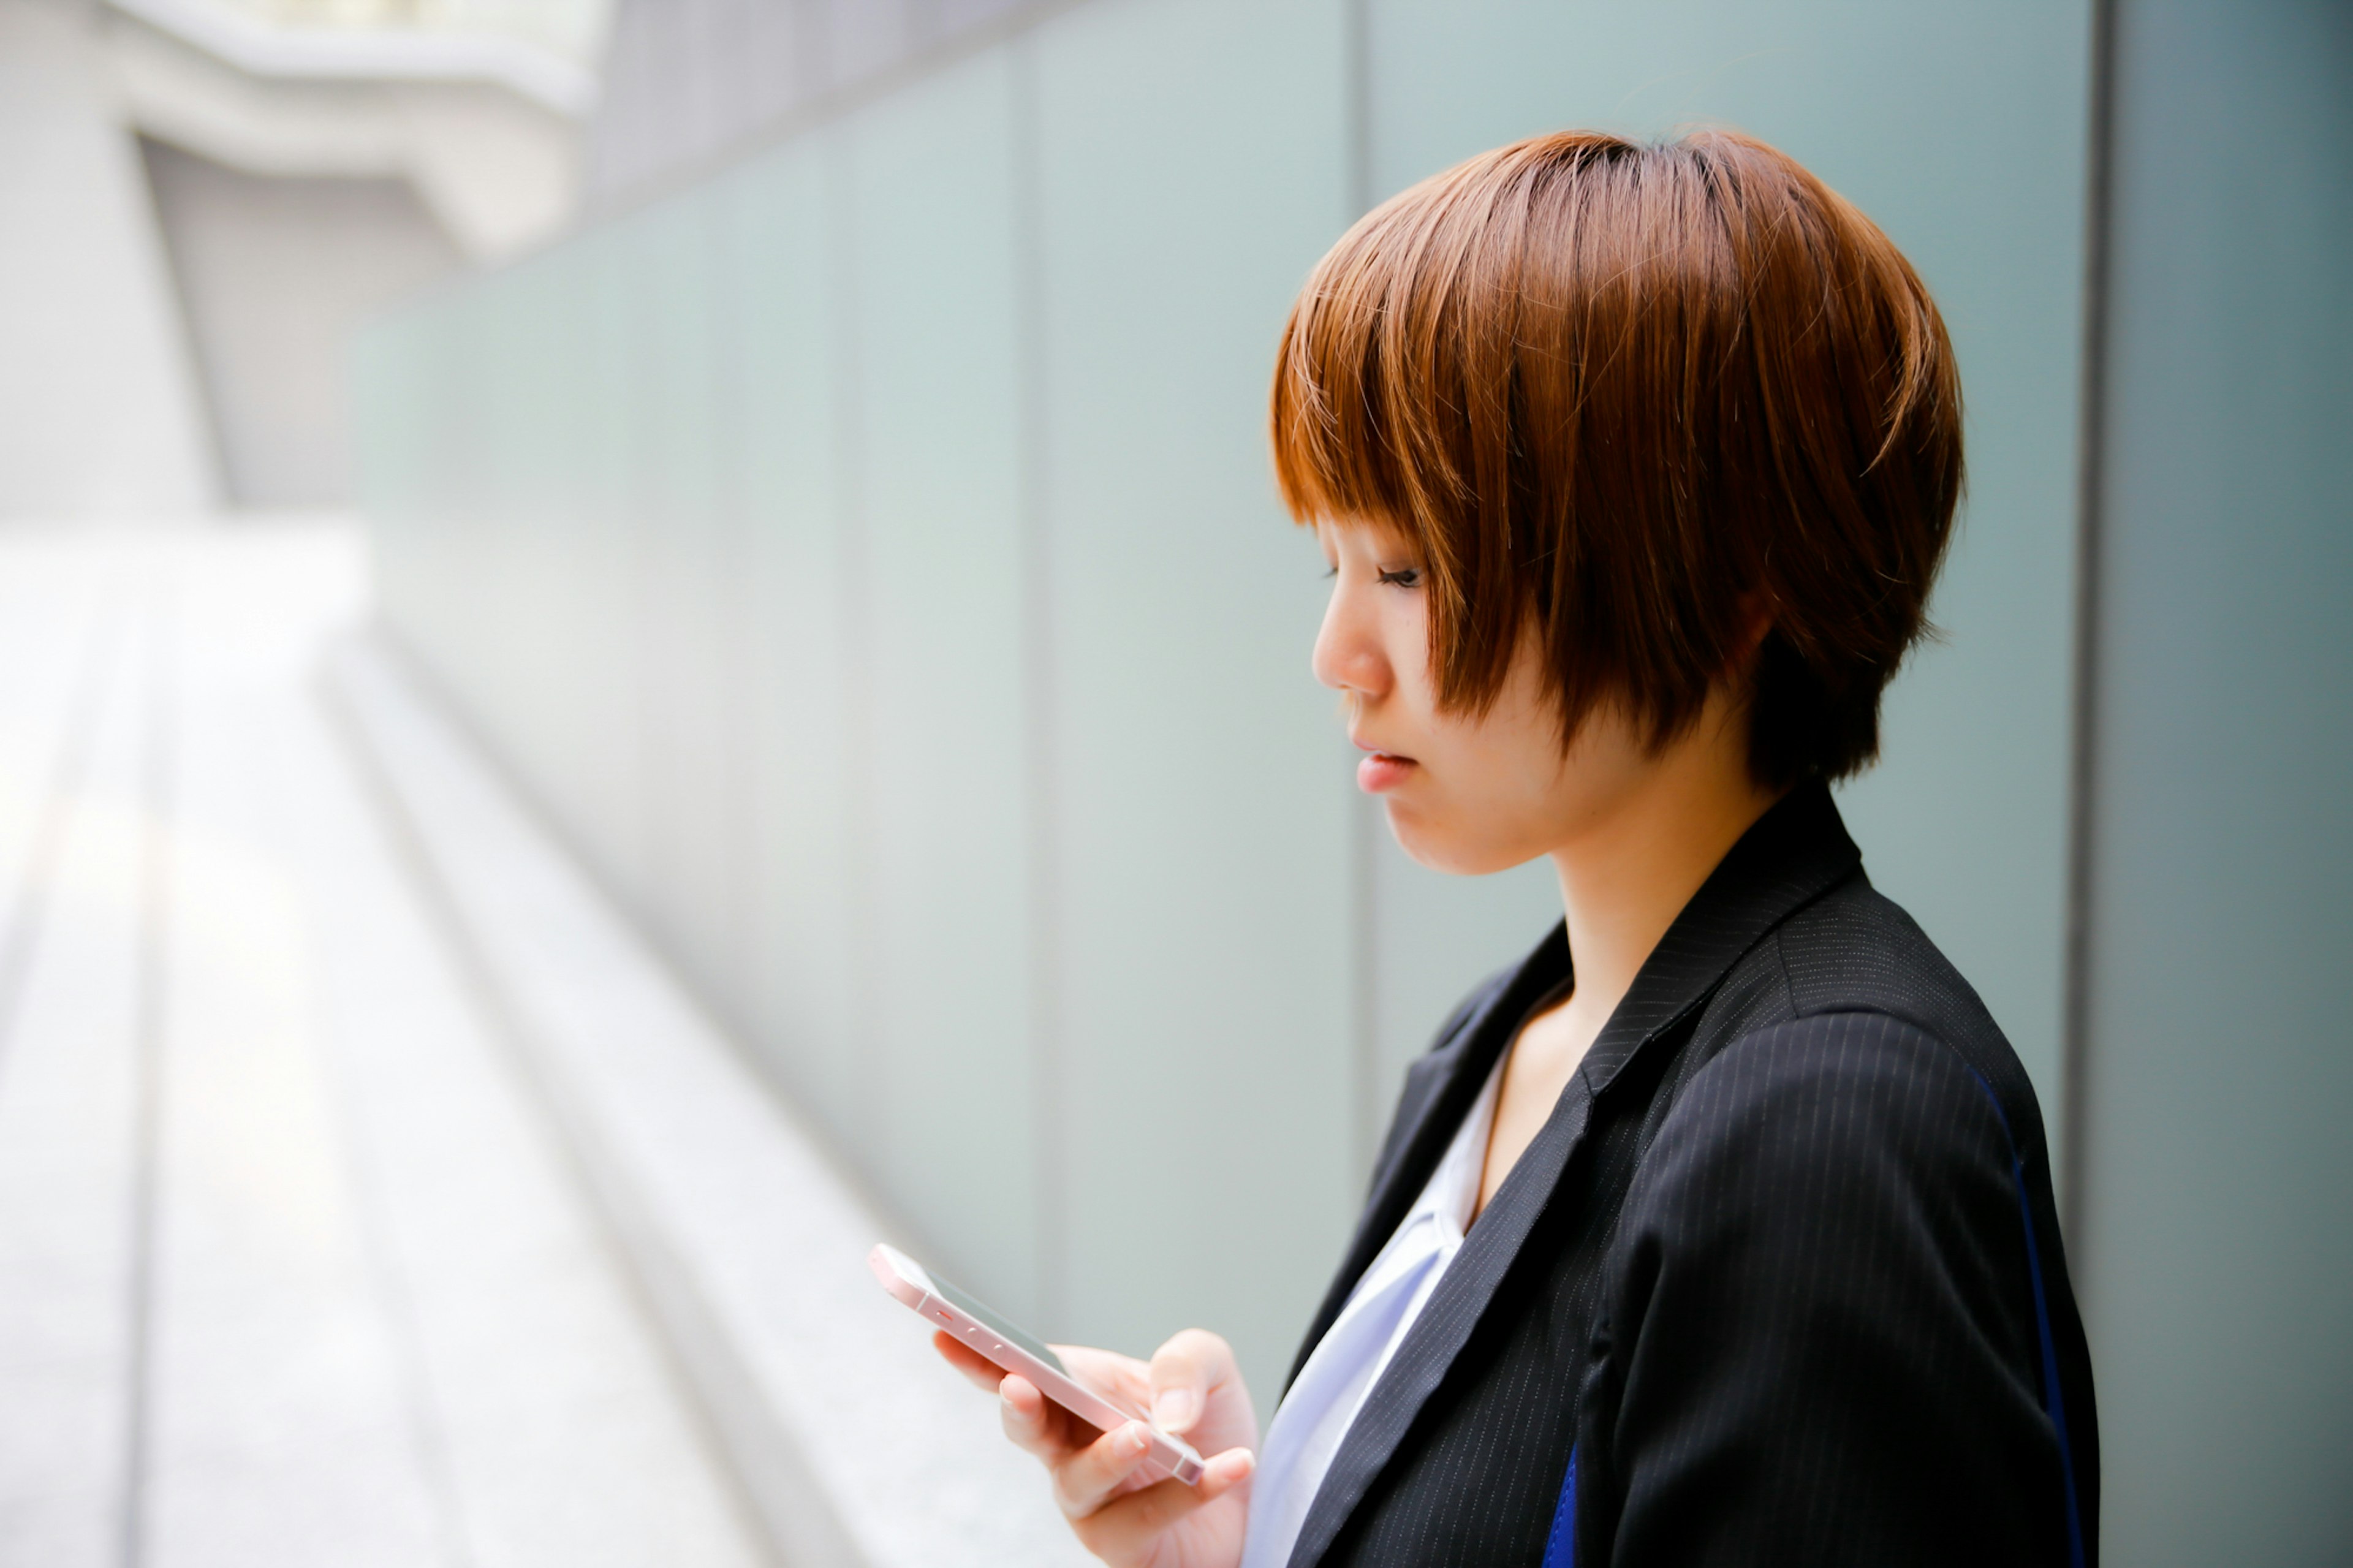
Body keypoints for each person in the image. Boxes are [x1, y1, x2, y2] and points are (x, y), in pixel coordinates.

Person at [934, 127, 2098, 1568]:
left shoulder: (1830, 1117)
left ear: (1733, 587)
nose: (1338, 652)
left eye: (1412, 571)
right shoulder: (1501, 1041)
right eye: (1335, 563)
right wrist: (1263, 1527)